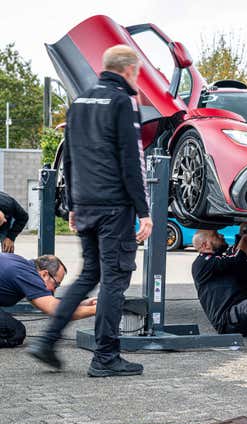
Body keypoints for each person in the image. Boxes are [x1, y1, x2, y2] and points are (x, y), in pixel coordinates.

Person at [28, 45, 153, 377]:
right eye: (138, 72)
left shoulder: (79, 102)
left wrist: (71, 204)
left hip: (85, 204)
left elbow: (68, 156)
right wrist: (144, 211)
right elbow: (131, 161)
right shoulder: (123, 101)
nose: (138, 78)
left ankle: (47, 341)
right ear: (128, 70)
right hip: (114, 207)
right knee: (114, 280)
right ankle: (106, 357)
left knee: (90, 275)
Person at [0, 254, 96, 348]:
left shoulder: (24, 266)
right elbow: (56, 310)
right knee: (15, 332)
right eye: (56, 285)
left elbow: (45, 303)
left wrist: (81, 304)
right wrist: (98, 309)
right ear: (44, 274)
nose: (54, 290)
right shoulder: (29, 276)